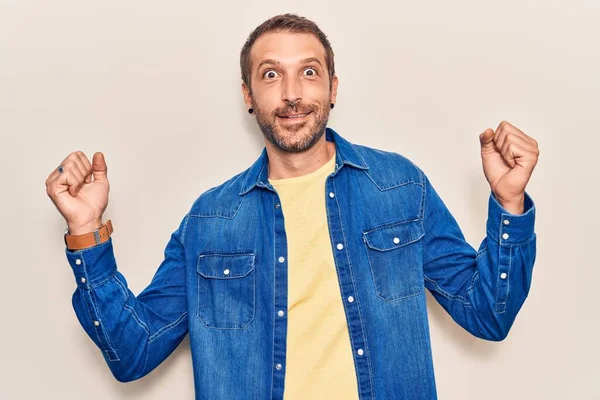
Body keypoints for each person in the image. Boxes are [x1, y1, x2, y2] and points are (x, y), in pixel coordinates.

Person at [45, 13, 539, 400]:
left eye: (308, 71)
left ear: (333, 87)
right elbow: (133, 353)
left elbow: (487, 315)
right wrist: (86, 231)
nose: (292, 94)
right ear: (248, 95)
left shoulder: (398, 186)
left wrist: (508, 201)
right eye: (270, 75)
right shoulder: (210, 222)